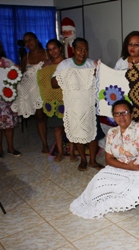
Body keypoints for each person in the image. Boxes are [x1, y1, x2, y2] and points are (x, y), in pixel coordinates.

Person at [70, 99, 139, 218]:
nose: (121, 117)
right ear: (114, 116)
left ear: (131, 114)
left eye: (124, 112)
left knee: (129, 192)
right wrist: (127, 167)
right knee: (98, 181)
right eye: (117, 114)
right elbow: (109, 159)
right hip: (122, 165)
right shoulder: (112, 132)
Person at [51, 38, 104, 171]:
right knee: (79, 134)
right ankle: (83, 160)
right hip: (74, 107)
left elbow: (102, 82)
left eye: (86, 49)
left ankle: (92, 160)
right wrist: (69, 75)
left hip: (91, 106)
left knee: (94, 134)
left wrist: (99, 71)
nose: (83, 52)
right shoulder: (65, 65)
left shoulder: (92, 64)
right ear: (73, 50)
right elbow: (53, 83)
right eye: (80, 49)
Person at [40, 39, 76, 162]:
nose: (53, 51)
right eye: (49, 49)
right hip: (54, 101)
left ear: (60, 48)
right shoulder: (46, 66)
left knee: (70, 127)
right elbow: (44, 83)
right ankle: (60, 152)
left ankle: (71, 152)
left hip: (68, 98)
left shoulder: (69, 63)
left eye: (54, 48)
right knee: (57, 128)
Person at [20, 32, 49, 154]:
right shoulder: (25, 58)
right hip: (35, 93)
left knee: (56, 117)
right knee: (40, 117)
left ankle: (62, 142)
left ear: (36, 40)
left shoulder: (48, 53)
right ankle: (45, 143)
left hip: (48, 90)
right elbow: (22, 76)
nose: (28, 43)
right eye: (26, 41)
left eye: (30, 39)